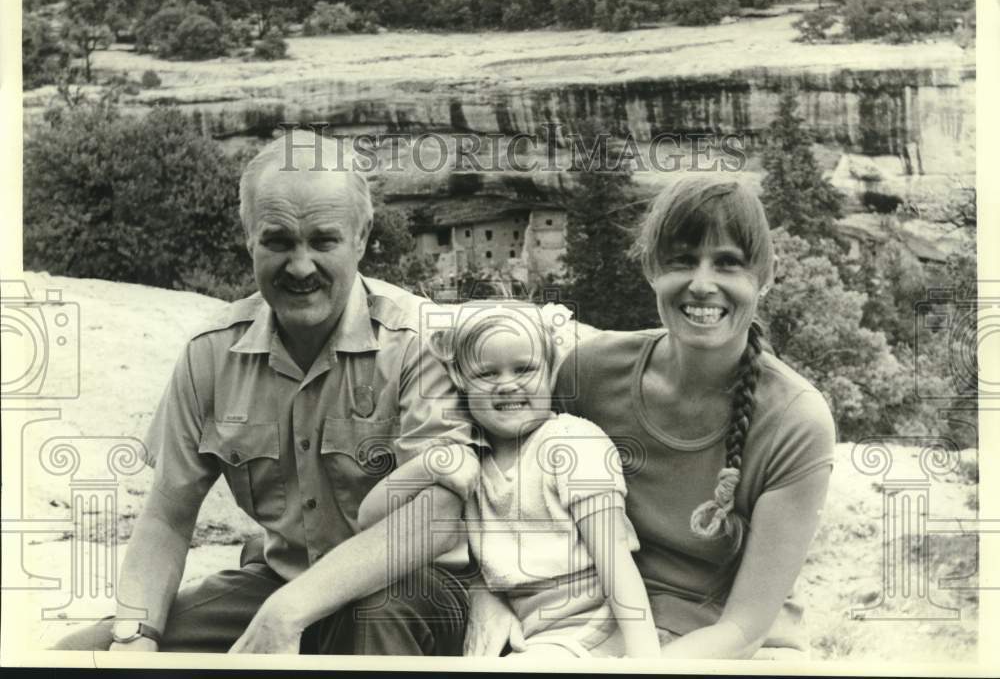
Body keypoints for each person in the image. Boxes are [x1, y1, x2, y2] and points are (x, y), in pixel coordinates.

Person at [54, 130, 478, 655]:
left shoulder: (420, 342)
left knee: (376, 616)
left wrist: (290, 609)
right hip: (281, 583)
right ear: (248, 235)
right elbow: (167, 515)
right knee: (83, 653)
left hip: (416, 587)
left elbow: (439, 516)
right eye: (278, 241)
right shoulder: (211, 354)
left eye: (323, 241)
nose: (300, 267)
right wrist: (135, 634)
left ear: (363, 236)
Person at [554, 174, 837, 659]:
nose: (702, 284)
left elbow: (745, 628)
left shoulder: (796, 419)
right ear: (651, 269)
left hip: (740, 649)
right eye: (682, 261)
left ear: (765, 277)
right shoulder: (590, 373)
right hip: (604, 623)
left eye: (728, 264)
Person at [356, 303, 660, 658]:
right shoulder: (470, 461)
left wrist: (647, 662)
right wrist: (427, 467)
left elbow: (616, 564)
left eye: (524, 368)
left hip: (588, 625)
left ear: (549, 371)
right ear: (461, 381)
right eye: (487, 373)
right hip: (522, 626)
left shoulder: (572, 442)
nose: (507, 384)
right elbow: (369, 520)